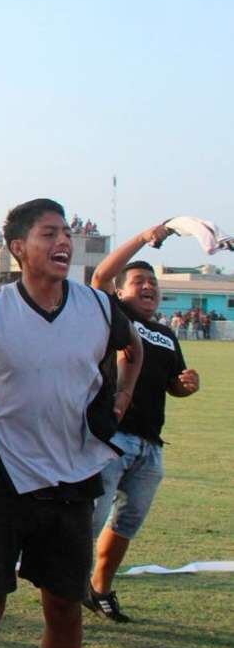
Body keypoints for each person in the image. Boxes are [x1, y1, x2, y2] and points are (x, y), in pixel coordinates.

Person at [0, 198, 143, 648]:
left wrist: (124, 395)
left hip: (73, 477)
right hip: (1, 477)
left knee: (64, 606)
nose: (63, 242)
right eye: (49, 234)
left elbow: (131, 349)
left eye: (66, 233)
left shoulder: (97, 306)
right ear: (18, 248)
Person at [85, 224, 200, 622]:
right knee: (91, 519)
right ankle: (66, 586)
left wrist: (187, 385)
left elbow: (174, 385)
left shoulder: (167, 334)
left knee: (126, 524)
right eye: (139, 281)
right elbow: (99, 276)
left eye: (153, 282)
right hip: (111, 438)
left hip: (150, 445)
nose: (149, 287)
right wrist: (142, 238)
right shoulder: (111, 316)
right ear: (121, 292)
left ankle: (99, 589)